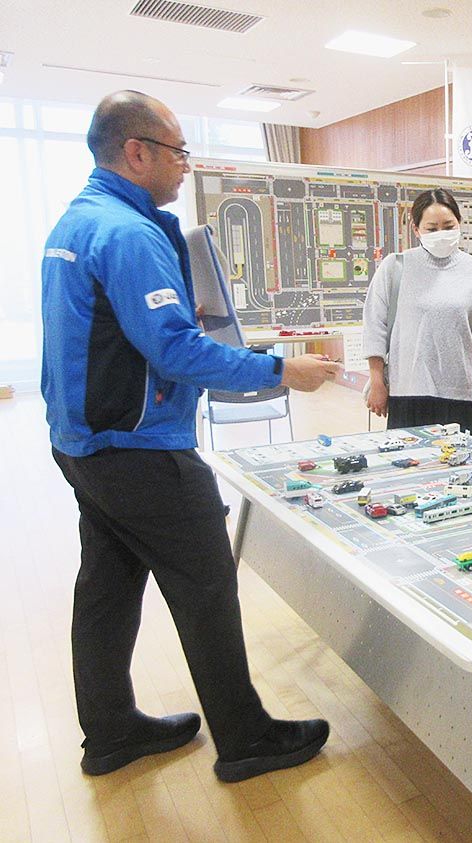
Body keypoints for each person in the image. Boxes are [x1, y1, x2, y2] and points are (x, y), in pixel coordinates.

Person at [41, 90, 341, 781]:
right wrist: (280, 369)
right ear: (135, 152)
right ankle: (247, 738)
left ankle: (110, 730)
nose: (186, 163)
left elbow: (113, 331)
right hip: (138, 450)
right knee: (206, 585)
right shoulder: (128, 232)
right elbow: (174, 351)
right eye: (177, 151)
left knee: (107, 585)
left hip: (82, 444)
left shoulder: (77, 221)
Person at [362, 189, 472, 436]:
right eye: (432, 229)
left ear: (459, 223)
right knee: (407, 458)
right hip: (407, 394)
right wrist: (377, 382)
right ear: (416, 229)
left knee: (461, 459)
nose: (441, 234)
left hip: (462, 398)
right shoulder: (395, 268)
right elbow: (374, 327)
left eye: (448, 226)